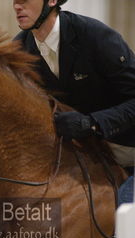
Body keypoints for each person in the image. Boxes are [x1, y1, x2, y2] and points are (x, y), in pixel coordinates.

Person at [12, 0, 135, 204]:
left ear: (51, 1)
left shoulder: (95, 36)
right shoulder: (18, 51)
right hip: (86, 160)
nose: (17, 6)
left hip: (129, 152)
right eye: (14, 0)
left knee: (123, 211)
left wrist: (92, 123)